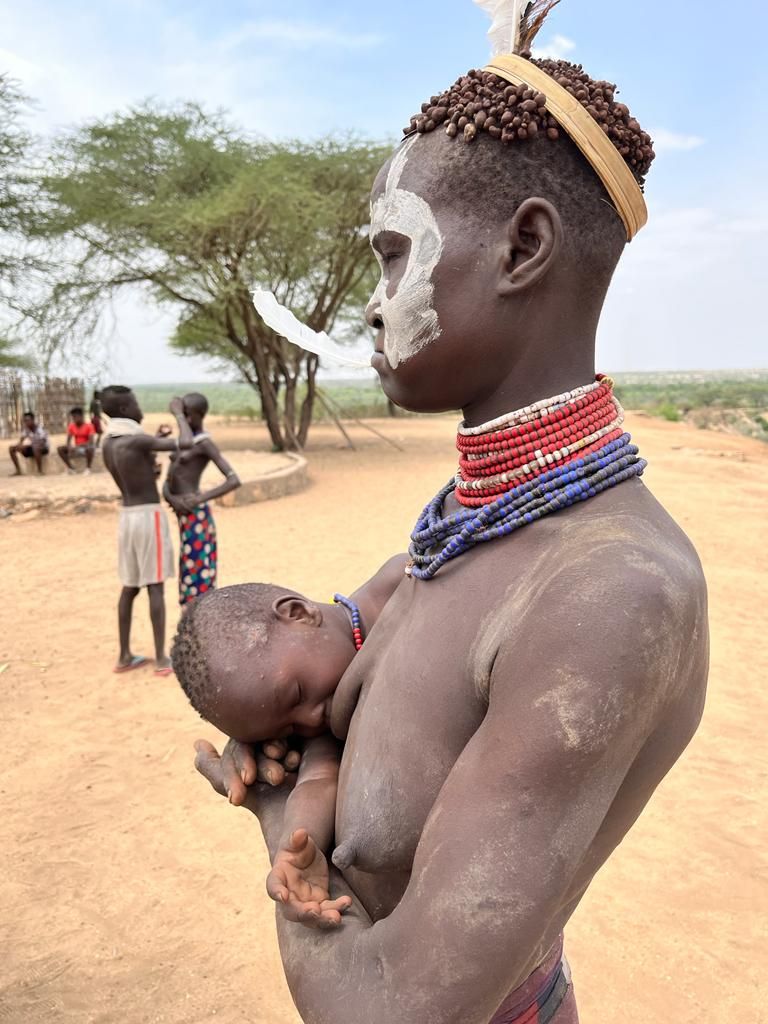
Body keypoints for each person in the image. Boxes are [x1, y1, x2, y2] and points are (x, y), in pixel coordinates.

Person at [193, 12, 709, 1024]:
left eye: (395, 255)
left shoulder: (608, 592)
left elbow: (389, 1010)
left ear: (523, 246)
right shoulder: (469, 525)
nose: (376, 305)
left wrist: (271, 821)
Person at [172, 556, 406, 925]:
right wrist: (295, 849)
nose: (311, 720)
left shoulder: (409, 586)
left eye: (296, 694)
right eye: (288, 732)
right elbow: (317, 778)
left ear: (298, 613)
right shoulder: (329, 717)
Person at [101, 385, 193, 676]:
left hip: (127, 517)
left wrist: (155, 441)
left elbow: (140, 470)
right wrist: (179, 414)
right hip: (148, 516)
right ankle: (162, 660)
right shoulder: (138, 440)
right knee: (155, 585)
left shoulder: (109, 442)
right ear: (126, 410)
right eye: (136, 403)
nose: (140, 408)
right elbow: (187, 442)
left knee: (130, 586)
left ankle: (125, 655)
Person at [162, 392, 241, 607]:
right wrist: (171, 498)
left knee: (198, 571)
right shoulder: (183, 443)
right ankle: (191, 619)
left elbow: (233, 480)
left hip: (197, 516)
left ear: (200, 415)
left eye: (188, 415)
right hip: (184, 515)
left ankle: (201, 618)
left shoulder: (204, 443)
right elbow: (168, 480)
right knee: (188, 568)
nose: (185, 420)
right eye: (182, 415)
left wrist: (199, 499)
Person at [57, 406, 96, 474]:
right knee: (60, 449)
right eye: (73, 417)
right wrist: (69, 447)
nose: (74, 419)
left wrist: (78, 446)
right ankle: (71, 468)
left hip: (85, 447)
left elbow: (91, 442)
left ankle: (88, 468)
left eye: (75, 417)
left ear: (81, 416)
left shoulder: (89, 426)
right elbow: (68, 440)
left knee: (90, 448)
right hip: (76, 447)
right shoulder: (72, 426)